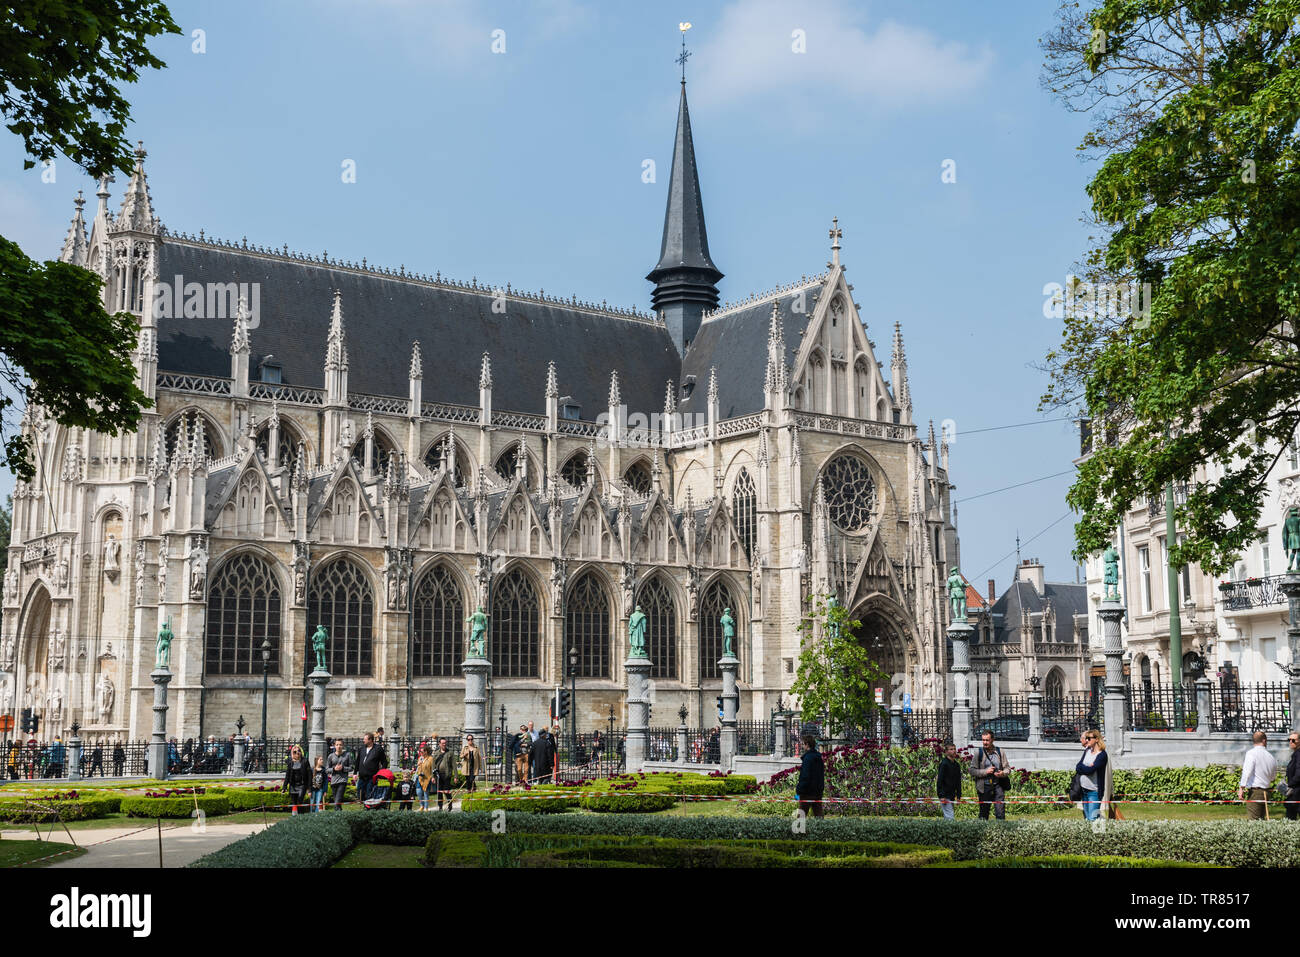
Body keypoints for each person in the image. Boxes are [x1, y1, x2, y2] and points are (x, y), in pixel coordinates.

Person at [1238, 730, 1278, 820]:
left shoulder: (1251, 753)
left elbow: (1246, 771)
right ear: (1264, 741)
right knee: (1262, 820)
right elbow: (1273, 778)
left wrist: (1241, 788)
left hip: (1255, 792)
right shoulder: (1271, 757)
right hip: (1266, 792)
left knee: (1254, 821)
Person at [970, 730, 1009, 820]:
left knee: (1000, 812)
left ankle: (1001, 831)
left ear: (992, 740)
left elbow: (1007, 768)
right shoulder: (978, 753)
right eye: (983, 740)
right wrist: (985, 771)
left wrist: (1002, 773)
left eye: (987, 740)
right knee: (984, 814)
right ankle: (982, 832)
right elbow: (972, 770)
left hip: (998, 786)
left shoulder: (1000, 752)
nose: (985, 742)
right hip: (984, 787)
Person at [1076, 729, 1110, 821]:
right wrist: (1086, 768)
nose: (1086, 740)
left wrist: (1084, 768)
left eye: (1089, 738)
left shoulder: (1102, 755)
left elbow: (1090, 770)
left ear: (1097, 739)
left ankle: (1099, 833)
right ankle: (1096, 833)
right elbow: (1078, 766)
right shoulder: (1087, 751)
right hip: (1084, 789)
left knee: (1093, 818)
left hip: (1094, 791)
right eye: (1086, 738)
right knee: (1087, 818)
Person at [795, 734, 825, 818]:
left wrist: (799, 789)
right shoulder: (819, 757)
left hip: (807, 792)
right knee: (819, 815)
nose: (802, 746)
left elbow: (805, 776)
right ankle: (822, 830)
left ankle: (799, 831)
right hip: (818, 791)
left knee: (801, 816)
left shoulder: (808, 758)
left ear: (807, 744)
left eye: (803, 744)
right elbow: (821, 774)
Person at [355, 732, 385, 802]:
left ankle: (369, 808)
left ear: (370, 740)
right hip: (362, 776)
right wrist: (354, 773)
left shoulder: (378, 749)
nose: (363, 741)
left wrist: (381, 772)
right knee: (360, 793)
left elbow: (384, 761)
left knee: (369, 793)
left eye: (365, 739)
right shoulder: (362, 749)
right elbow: (357, 761)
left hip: (372, 776)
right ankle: (364, 805)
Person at [936, 741, 962, 820]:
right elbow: (940, 781)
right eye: (951, 749)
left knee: (948, 817)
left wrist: (958, 795)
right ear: (946, 752)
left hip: (952, 795)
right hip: (945, 795)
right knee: (950, 817)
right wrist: (941, 795)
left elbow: (958, 781)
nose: (954, 751)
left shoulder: (956, 765)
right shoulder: (944, 764)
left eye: (954, 749)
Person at [282, 745, 311, 815]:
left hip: (302, 785)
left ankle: (301, 815)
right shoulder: (290, 762)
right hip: (293, 785)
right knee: (294, 803)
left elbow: (309, 775)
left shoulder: (305, 761)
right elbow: (287, 775)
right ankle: (294, 817)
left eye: (299, 751)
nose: (297, 752)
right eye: (295, 751)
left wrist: (309, 788)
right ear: (292, 753)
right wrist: (284, 787)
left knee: (300, 800)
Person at [432, 738, 457, 810]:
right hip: (438, 775)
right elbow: (433, 766)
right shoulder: (436, 753)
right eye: (443, 743)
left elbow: (454, 765)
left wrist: (456, 776)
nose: (444, 744)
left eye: (445, 743)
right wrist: (433, 777)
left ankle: (450, 804)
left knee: (446, 791)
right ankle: (440, 807)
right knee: (439, 792)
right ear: (439, 744)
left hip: (447, 774)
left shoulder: (450, 753)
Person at [1284, 731, 1300, 822]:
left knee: (1290, 821)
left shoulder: (1298, 754)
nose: (1290, 742)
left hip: (1297, 794)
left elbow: (1298, 775)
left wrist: (1288, 785)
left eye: (1293, 740)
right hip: (1294, 793)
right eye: (1289, 740)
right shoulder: (1295, 754)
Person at [416, 745, 435, 811]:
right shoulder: (420, 758)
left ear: (426, 752)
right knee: (418, 792)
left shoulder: (430, 759)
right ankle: (421, 805)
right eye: (420, 751)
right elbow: (418, 768)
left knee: (426, 793)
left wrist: (433, 777)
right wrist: (418, 764)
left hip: (427, 778)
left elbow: (432, 769)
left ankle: (426, 808)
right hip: (420, 778)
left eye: (421, 751)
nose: (420, 753)